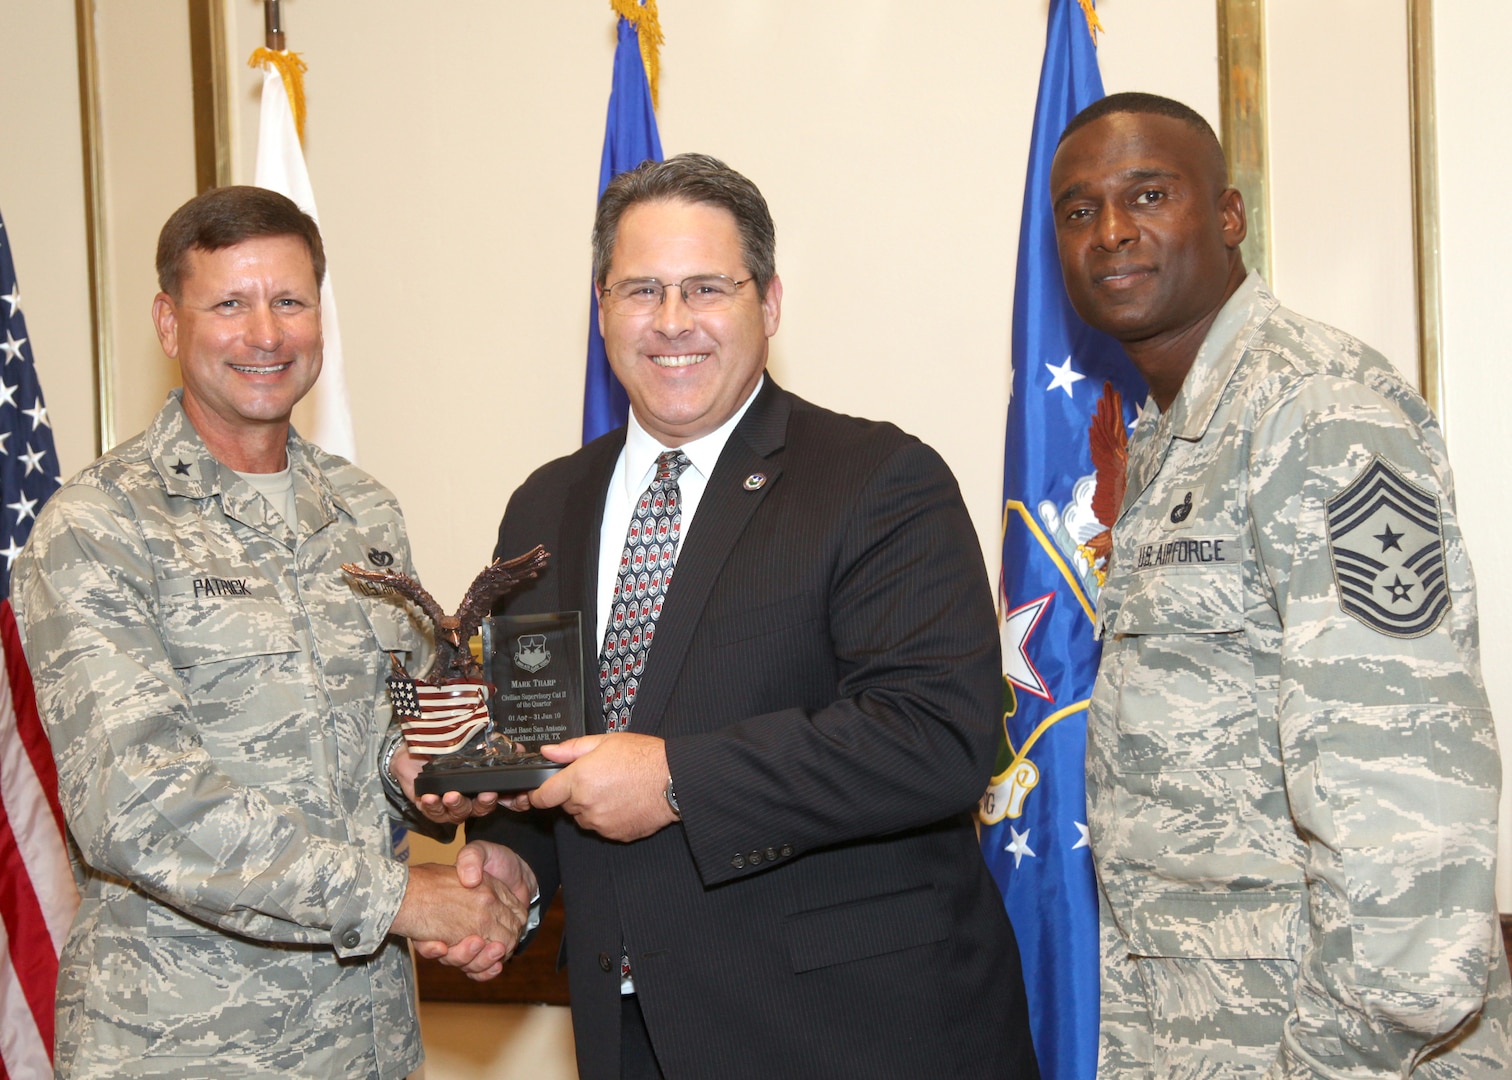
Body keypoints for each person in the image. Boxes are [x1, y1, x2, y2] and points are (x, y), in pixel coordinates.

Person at [397, 153, 1039, 1079]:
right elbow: (550, 746)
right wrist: (515, 864)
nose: (670, 322)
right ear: (601, 306)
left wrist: (679, 778)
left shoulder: (878, 480)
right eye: (640, 290)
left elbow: (937, 738)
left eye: (706, 288)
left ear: (769, 303)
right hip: (632, 1039)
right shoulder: (546, 508)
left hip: (854, 1035)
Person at [12, 186, 534, 1079]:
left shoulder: (363, 512)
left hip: (365, 1042)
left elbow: (391, 736)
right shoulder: (99, 527)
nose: (266, 334)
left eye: (290, 301)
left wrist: (431, 777)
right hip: (183, 1048)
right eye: (230, 303)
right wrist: (405, 899)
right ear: (169, 324)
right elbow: (140, 809)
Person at [1049, 92, 1512, 1077]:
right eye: (1080, 210)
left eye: (1147, 194)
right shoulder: (1173, 437)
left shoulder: (1318, 410)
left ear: (1227, 217)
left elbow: (1406, 805)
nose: (1113, 231)